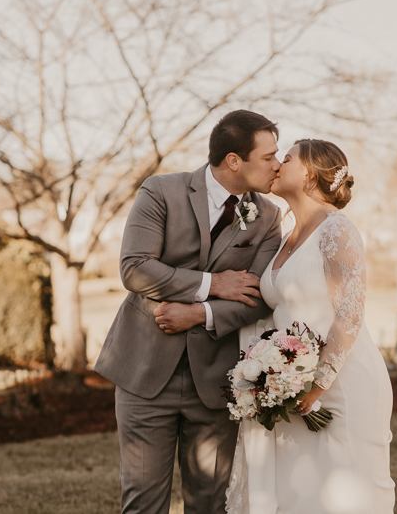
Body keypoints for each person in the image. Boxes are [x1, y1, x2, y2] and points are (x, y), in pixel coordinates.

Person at [94, 110, 284, 514]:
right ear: (235, 160)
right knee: (143, 504)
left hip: (215, 381)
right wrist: (213, 285)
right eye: (269, 156)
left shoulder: (267, 216)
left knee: (210, 505)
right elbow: (135, 268)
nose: (277, 165)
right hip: (144, 373)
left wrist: (199, 315)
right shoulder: (161, 191)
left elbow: (258, 295)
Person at [225, 139, 395, 514]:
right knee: (300, 496)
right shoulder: (286, 238)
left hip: (339, 385)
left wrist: (317, 383)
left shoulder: (336, 231)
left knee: (348, 496)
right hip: (291, 388)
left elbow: (350, 314)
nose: (276, 165)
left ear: (308, 173)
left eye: (285, 159)